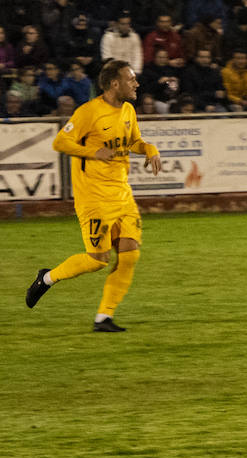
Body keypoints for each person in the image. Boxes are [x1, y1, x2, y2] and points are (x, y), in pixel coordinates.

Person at [25, 59, 162, 331]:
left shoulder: (127, 110)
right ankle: (48, 278)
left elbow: (133, 140)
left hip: (122, 195)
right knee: (97, 261)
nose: (136, 83)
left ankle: (104, 317)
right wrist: (93, 151)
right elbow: (60, 141)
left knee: (130, 255)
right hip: (94, 199)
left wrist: (149, 148)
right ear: (115, 84)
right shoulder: (89, 112)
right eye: (131, 79)